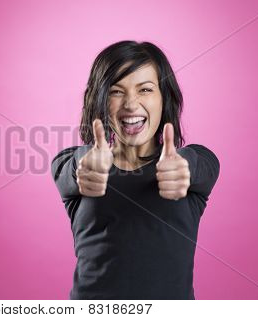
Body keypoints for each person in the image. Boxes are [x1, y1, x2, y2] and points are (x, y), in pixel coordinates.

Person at [51, 40, 220, 299]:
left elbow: (205, 164)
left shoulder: (189, 166)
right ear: (99, 100)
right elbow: (68, 166)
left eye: (145, 90)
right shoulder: (79, 165)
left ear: (165, 98)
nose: (131, 104)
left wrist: (184, 168)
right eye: (116, 91)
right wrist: (82, 167)